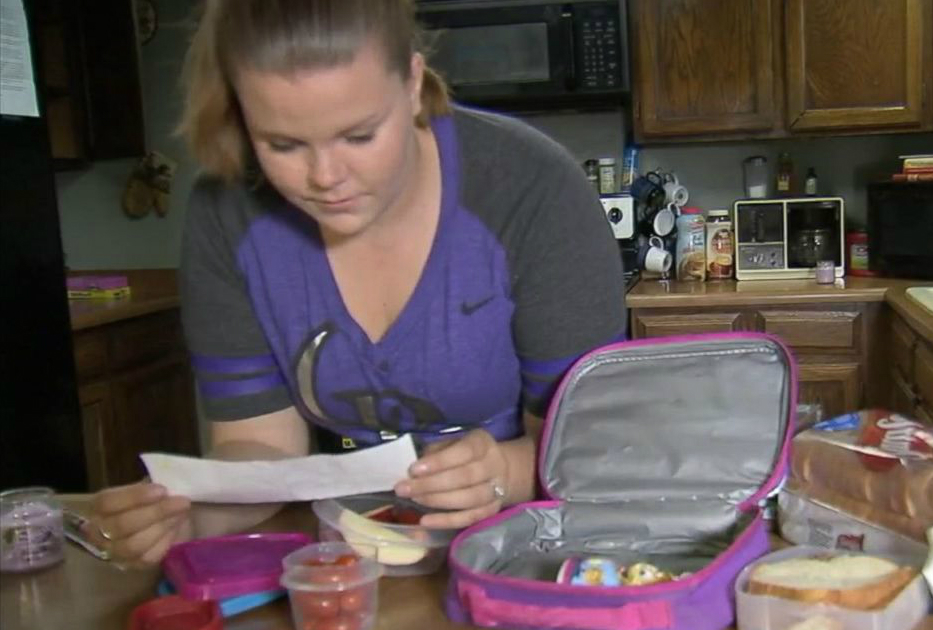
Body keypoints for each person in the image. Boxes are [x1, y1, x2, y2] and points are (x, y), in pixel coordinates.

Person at [86, 0, 625, 567]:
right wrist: (191, 515)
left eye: (360, 135)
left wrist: (504, 472)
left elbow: (587, 451)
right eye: (283, 145)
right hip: (346, 557)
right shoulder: (227, 212)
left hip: (523, 554)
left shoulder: (532, 190)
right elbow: (262, 448)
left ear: (414, 83)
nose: (325, 178)